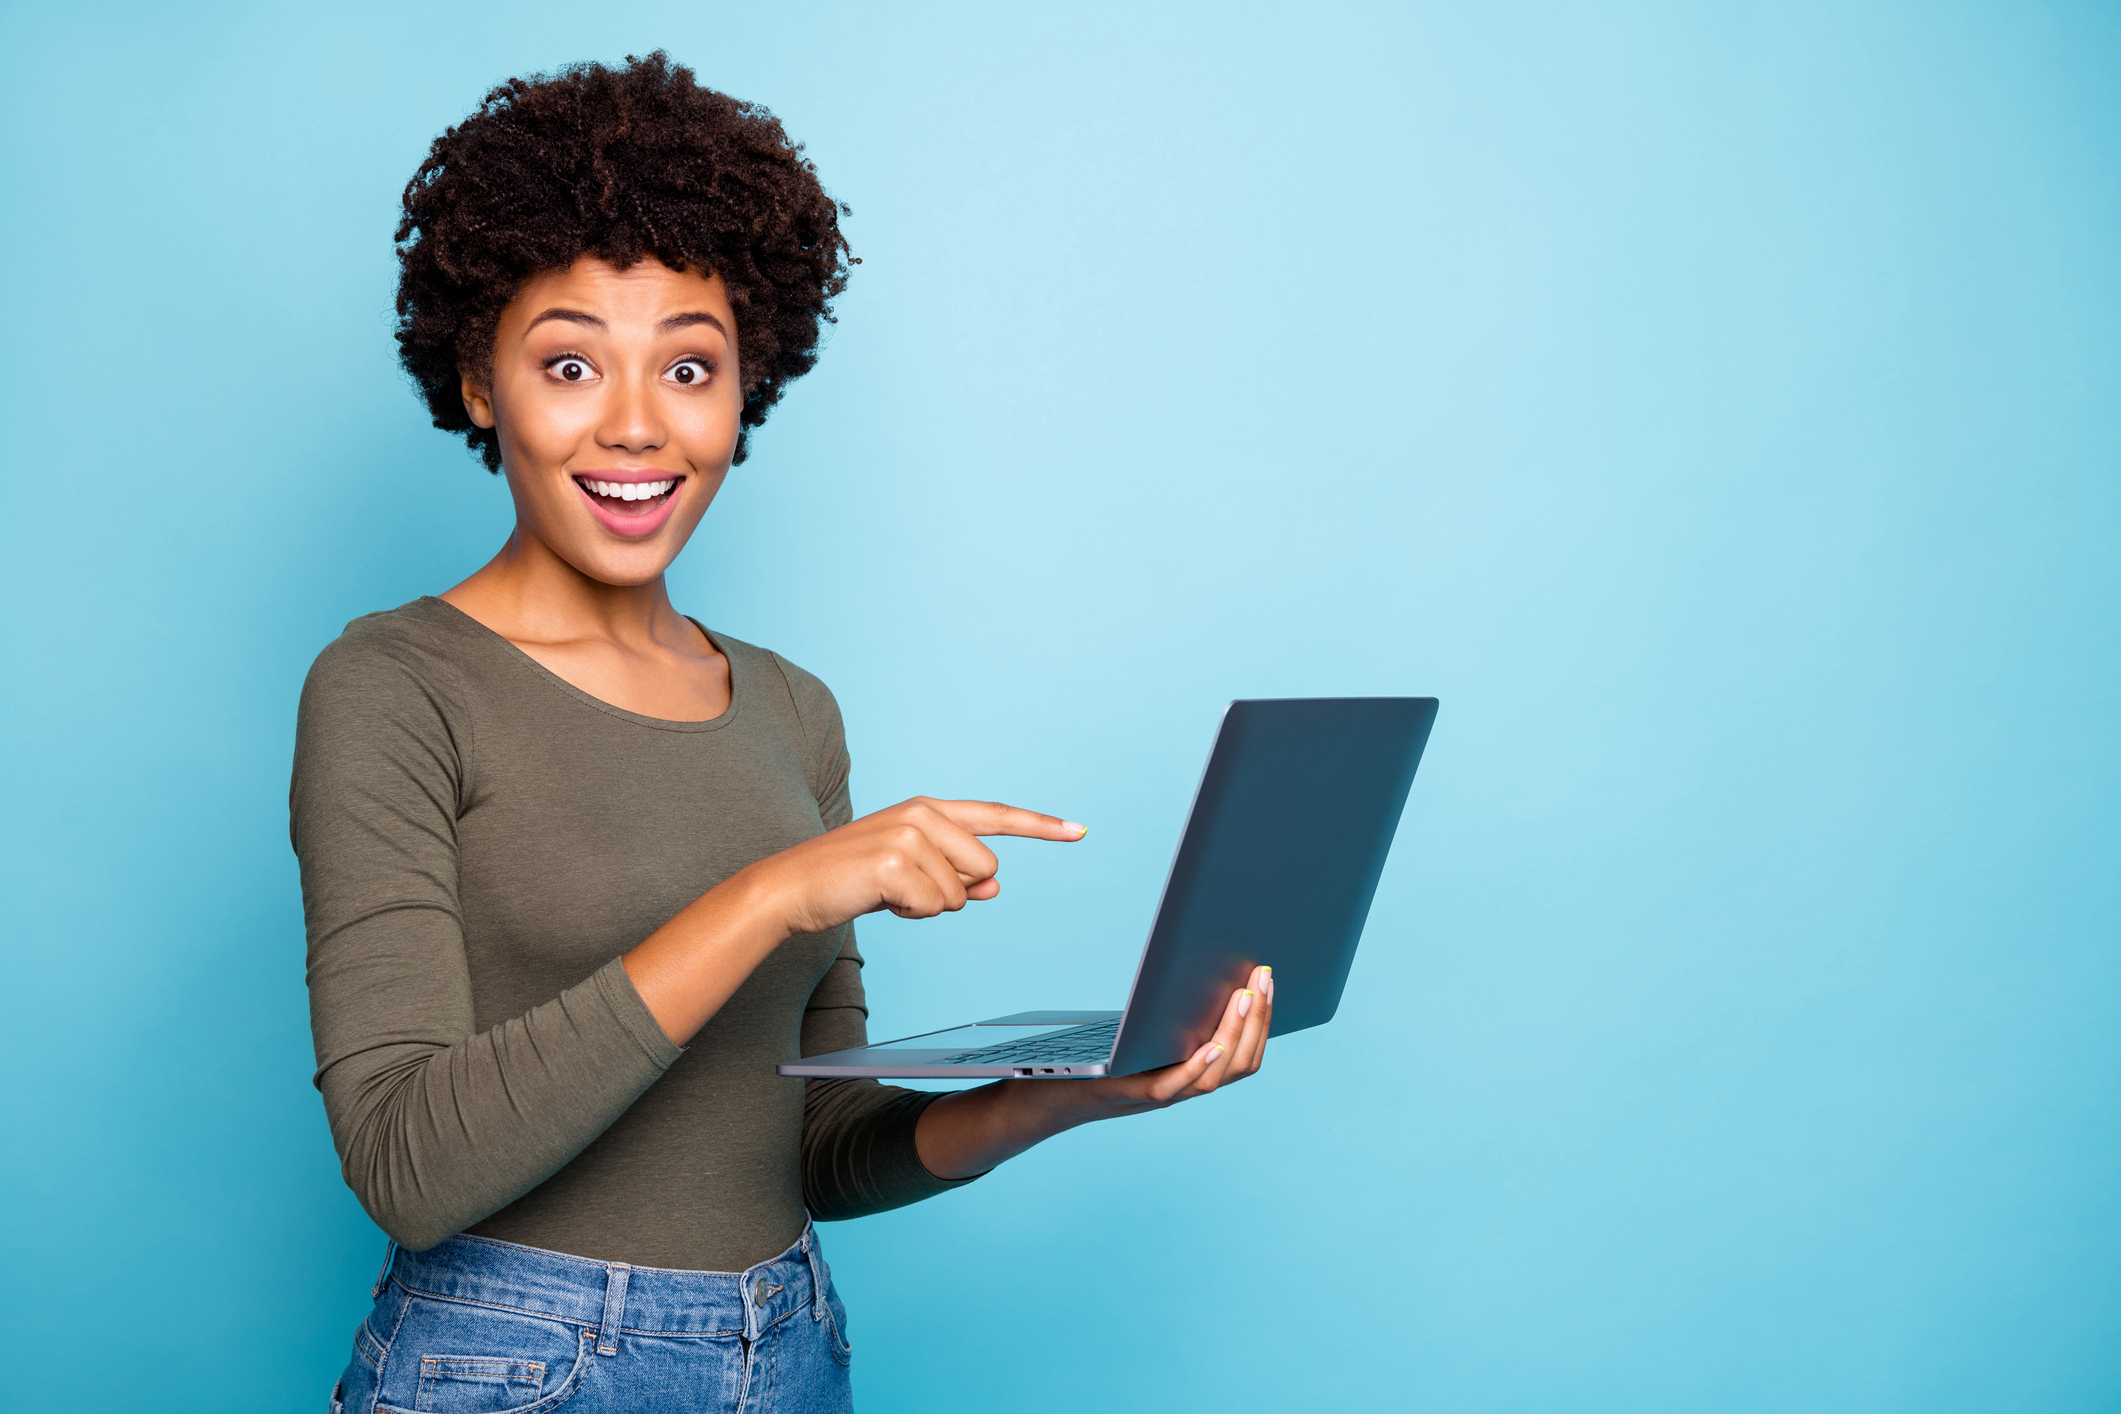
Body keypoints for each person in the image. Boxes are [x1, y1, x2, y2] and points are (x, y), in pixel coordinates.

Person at [293, 52, 1273, 1414]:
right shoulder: (394, 683)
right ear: (477, 381)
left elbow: (811, 1144)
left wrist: (1087, 1092)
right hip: (514, 1362)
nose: (636, 424)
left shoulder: (792, 710)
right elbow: (406, 1162)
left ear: (746, 385)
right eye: (569, 361)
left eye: (688, 365)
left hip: (790, 1342)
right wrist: (769, 894)